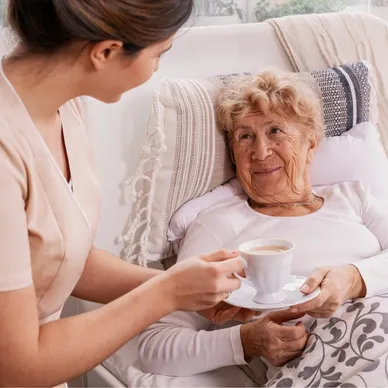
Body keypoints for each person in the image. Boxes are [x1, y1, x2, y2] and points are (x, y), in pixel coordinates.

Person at [0, 1, 251, 386]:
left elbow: (60, 260)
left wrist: (192, 288)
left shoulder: (63, 106)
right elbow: (16, 365)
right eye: (158, 54)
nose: (157, 70)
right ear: (106, 52)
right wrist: (165, 293)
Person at [138, 70, 388, 380]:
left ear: (311, 144)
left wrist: (354, 278)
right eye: (245, 137)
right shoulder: (219, 224)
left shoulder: (354, 197)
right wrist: (247, 340)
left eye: (275, 131)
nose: (260, 152)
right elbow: (156, 346)